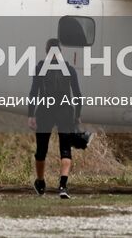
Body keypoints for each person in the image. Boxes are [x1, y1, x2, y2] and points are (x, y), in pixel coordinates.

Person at [28, 38, 81, 199]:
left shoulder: (40, 68)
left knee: (41, 150)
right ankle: (63, 186)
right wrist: (77, 115)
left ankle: (40, 182)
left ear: (46, 51)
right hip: (65, 111)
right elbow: (78, 95)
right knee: (65, 149)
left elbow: (33, 92)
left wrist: (31, 114)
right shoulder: (69, 69)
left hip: (45, 111)